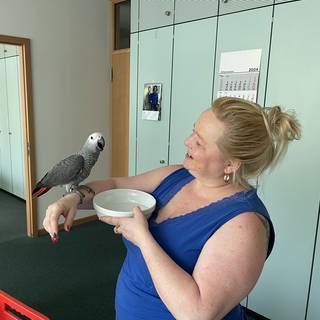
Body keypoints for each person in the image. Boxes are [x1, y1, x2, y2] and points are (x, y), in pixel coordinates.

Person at [43, 97, 301, 320]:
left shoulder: (245, 225)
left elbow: (197, 313)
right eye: (193, 131)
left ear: (231, 164)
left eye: (199, 142)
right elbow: (114, 185)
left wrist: (144, 239)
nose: (187, 141)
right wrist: (74, 198)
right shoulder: (178, 175)